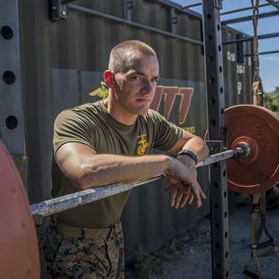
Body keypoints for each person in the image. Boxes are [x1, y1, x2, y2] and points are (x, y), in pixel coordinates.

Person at [42, 40, 209, 278]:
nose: (149, 90)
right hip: (72, 244)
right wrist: (166, 163)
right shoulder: (74, 120)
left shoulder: (150, 120)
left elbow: (198, 143)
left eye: (154, 80)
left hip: (114, 236)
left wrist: (187, 161)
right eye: (136, 77)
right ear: (109, 79)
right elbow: (85, 172)